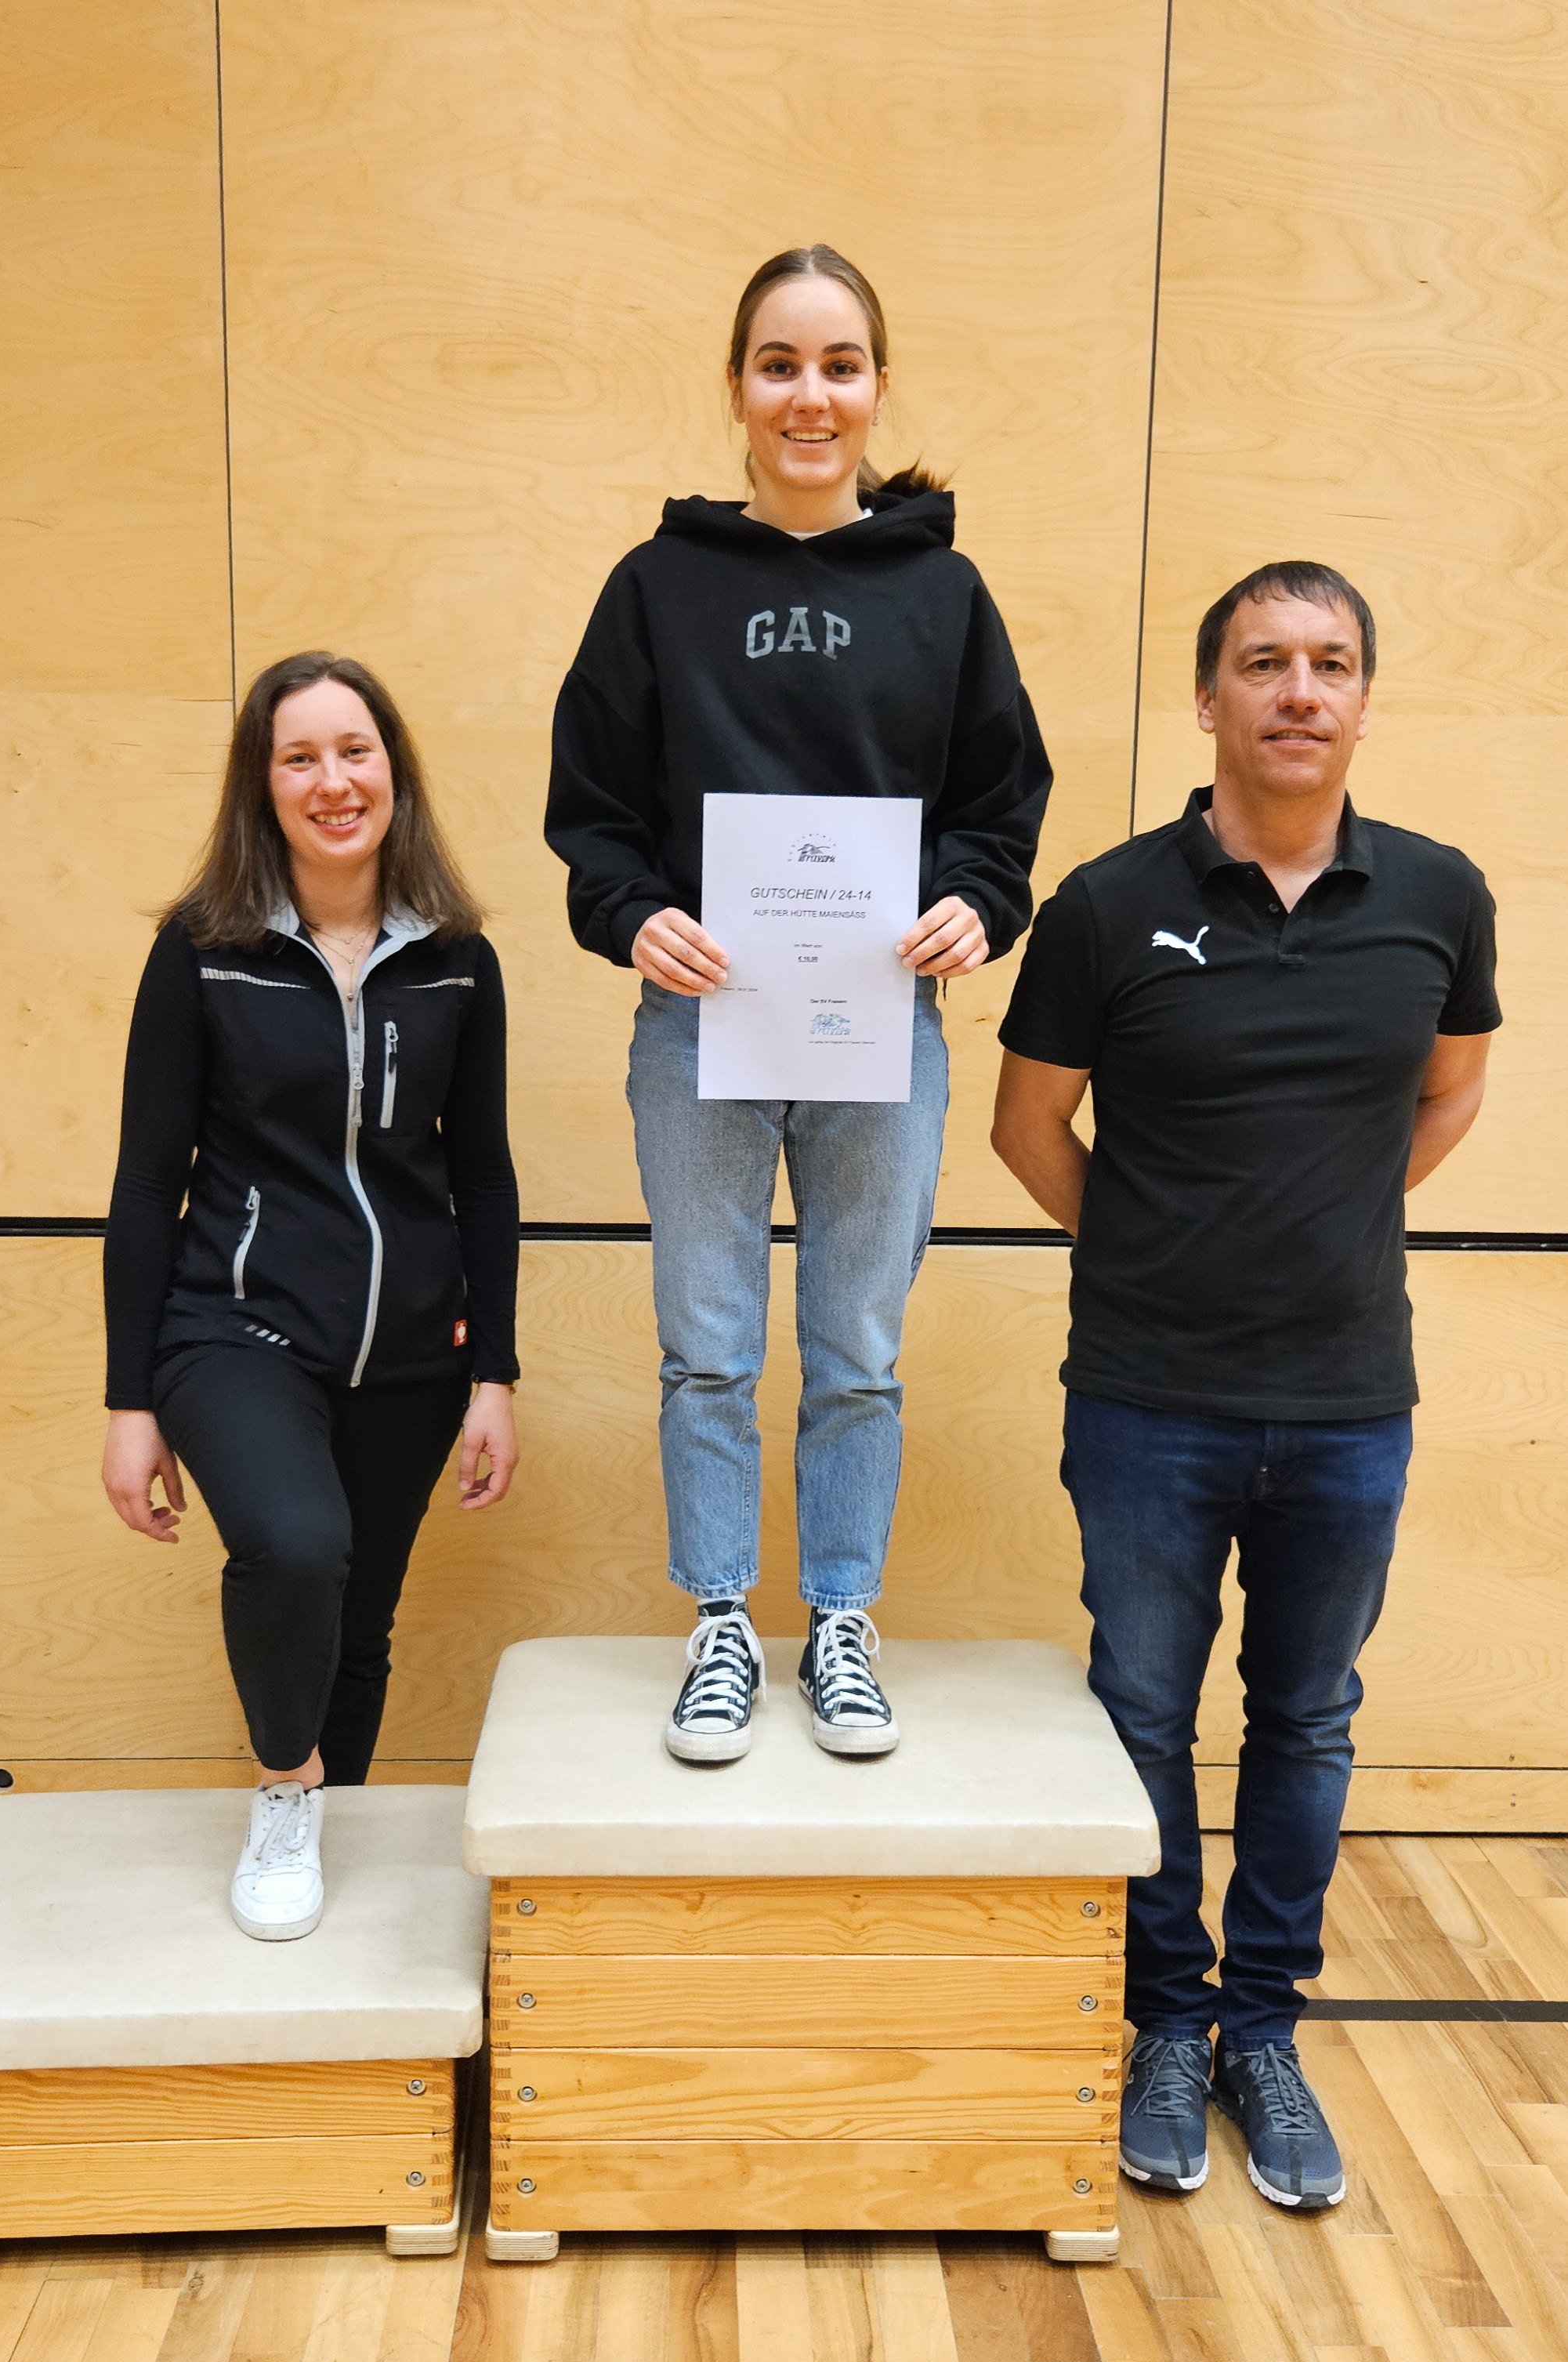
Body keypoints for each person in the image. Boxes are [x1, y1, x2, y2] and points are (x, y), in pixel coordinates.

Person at [991, 562, 1497, 2209]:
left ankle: (1261, 2031)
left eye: (1330, 662)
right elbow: (1025, 1125)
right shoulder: (1102, 902)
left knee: (1307, 1718)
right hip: (1148, 1397)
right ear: (1207, 696)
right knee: (1141, 1714)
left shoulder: (1440, 895)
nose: (1298, 690)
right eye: (1264, 661)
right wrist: (1160, 1246)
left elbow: (1450, 1093)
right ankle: (1163, 2019)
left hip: (1350, 1402)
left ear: (1363, 700)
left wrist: (1327, 1222)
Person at [546, 245, 1049, 1763]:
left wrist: (977, 901)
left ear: (879, 388)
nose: (809, 396)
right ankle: (719, 1620)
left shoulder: (944, 594)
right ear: (736, 387)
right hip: (701, 1021)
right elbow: (592, 812)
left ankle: (838, 1619)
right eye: (779, 364)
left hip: (876, 1024)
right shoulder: (657, 587)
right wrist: (636, 915)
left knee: (857, 1354)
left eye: (839, 365)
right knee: (706, 1347)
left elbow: (998, 803)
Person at [101, 653, 520, 1940]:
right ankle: (285, 1792)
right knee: (294, 1547)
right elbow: (147, 1179)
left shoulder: (456, 958)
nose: (333, 782)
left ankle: (323, 1810)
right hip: (234, 1328)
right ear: (263, 784)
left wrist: (495, 1372)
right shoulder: (203, 953)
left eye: (355, 751)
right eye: (300, 757)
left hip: (411, 1349)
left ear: (393, 770)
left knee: (360, 1614)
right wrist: (129, 1403)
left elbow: (482, 1173)